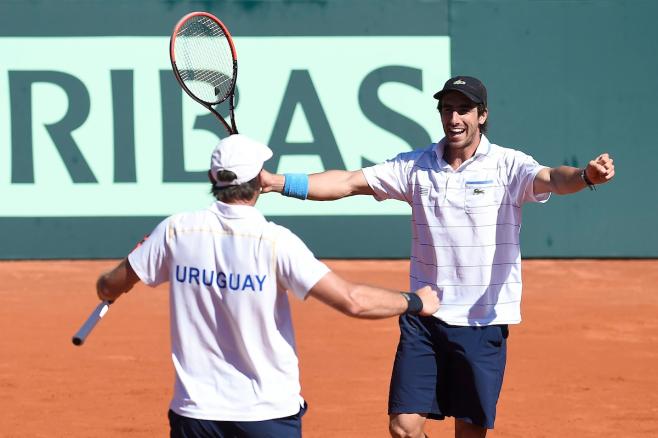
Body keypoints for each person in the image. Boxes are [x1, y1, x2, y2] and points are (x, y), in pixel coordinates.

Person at [259, 76, 615, 438]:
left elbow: (554, 178)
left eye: (464, 110)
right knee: (403, 428)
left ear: (482, 116)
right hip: (425, 315)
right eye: (447, 109)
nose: (454, 118)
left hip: (481, 322)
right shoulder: (416, 166)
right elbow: (348, 182)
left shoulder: (508, 165)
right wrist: (277, 183)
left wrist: (586, 176)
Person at [95, 134, 439, 438]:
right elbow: (353, 301)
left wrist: (124, 270)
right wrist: (415, 301)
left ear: (212, 180)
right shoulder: (276, 241)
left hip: (195, 415)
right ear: (260, 180)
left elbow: (109, 286)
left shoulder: (175, 231)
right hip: (266, 414)